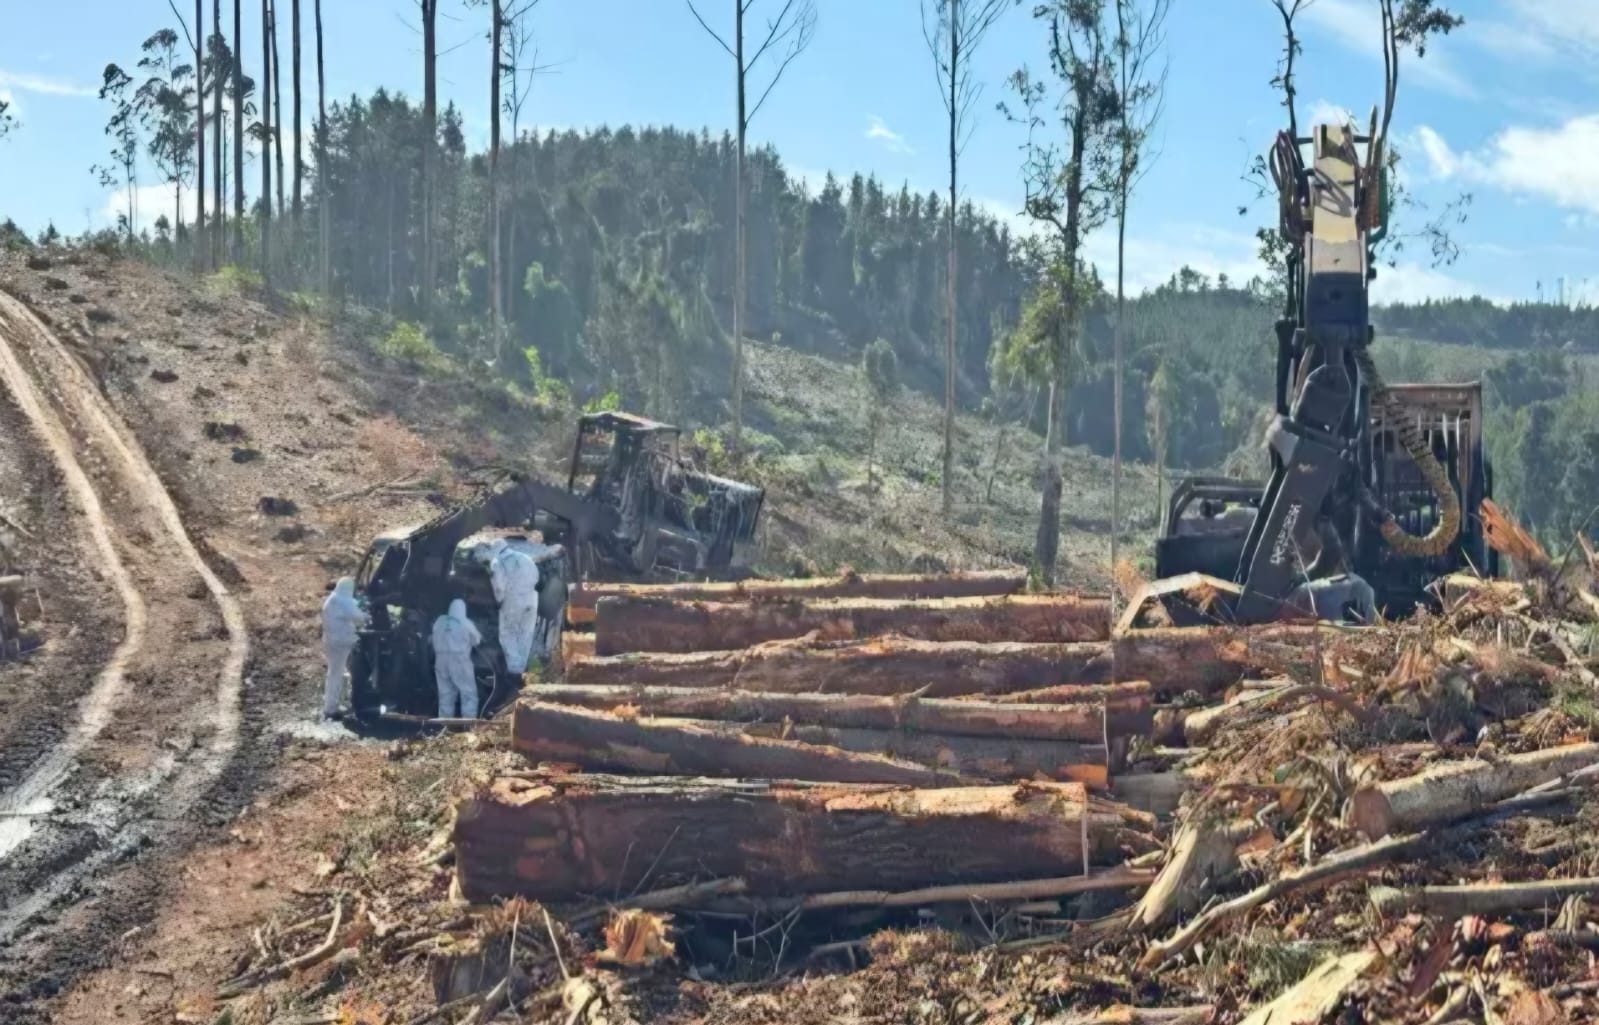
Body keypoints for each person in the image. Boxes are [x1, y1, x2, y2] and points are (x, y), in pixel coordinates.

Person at [489, 539, 541, 675]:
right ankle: (523, 671)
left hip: (513, 599)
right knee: (526, 634)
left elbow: (499, 586)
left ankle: (515, 672)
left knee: (508, 634)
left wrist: (499, 601)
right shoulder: (526, 557)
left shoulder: (497, 561)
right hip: (531, 597)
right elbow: (536, 576)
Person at [321, 577, 367, 720]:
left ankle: (337, 703)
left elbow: (352, 604)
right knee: (337, 674)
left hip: (331, 641)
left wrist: (360, 602)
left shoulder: (334, 598)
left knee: (338, 672)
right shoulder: (342, 601)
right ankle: (331, 709)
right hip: (341, 642)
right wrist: (367, 614)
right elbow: (359, 617)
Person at [431, 599, 483, 719]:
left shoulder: (440, 621)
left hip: (441, 661)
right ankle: (468, 725)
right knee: (468, 693)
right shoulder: (465, 623)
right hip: (459, 660)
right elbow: (477, 640)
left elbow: (433, 636)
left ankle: (444, 725)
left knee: (445, 694)